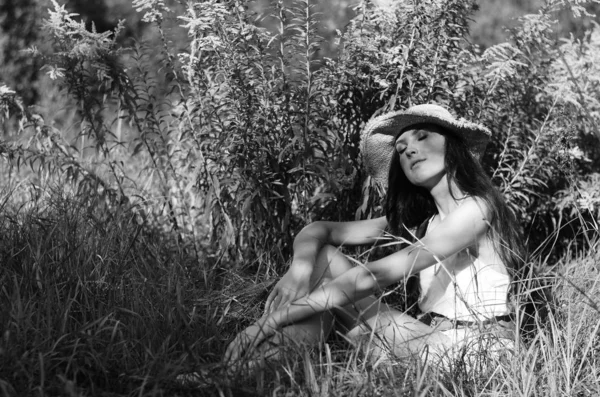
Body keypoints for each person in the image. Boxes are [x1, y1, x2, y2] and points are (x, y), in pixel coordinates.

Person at [224, 104, 524, 368]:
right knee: (324, 260)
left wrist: (270, 320)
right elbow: (319, 230)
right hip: (429, 340)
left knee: (331, 289)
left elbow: (375, 275)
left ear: (452, 146)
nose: (409, 150)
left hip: (477, 352)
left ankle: (245, 366)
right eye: (402, 147)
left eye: (422, 137)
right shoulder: (423, 222)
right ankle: (252, 367)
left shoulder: (477, 209)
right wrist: (298, 271)